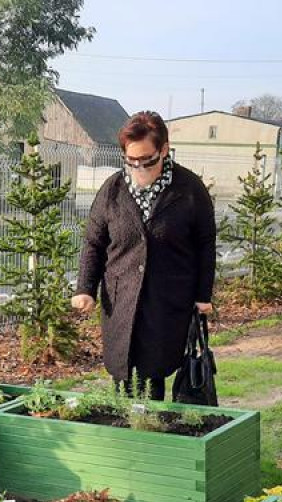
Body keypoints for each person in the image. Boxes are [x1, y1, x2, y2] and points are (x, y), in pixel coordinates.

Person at [71, 111, 216, 401]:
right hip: (120, 300)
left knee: (154, 376)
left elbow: (205, 243)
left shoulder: (189, 189)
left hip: (167, 301)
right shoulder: (112, 189)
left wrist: (203, 294)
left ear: (164, 149)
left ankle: (151, 434)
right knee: (123, 376)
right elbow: (93, 243)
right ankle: (127, 435)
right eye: (131, 161)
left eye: (147, 160)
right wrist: (85, 288)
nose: (139, 168)